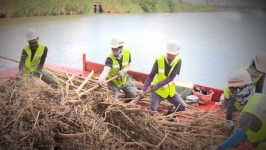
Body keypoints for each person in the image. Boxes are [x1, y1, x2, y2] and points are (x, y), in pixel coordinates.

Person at [214, 70, 266, 150]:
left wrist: (219, 148)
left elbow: (237, 137)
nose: (231, 93)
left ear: (239, 90)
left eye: (231, 90)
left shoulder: (247, 113)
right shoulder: (260, 96)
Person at [139, 39, 186, 115]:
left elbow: (172, 77)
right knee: (152, 112)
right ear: (167, 52)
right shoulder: (159, 60)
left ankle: (169, 115)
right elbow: (151, 76)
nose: (170, 59)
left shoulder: (178, 61)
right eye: (169, 56)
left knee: (182, 107)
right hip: (157, 91)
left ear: (177, 54)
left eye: (173, 56)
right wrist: (143, 89)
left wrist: (158, 85)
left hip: (169, 90)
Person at [223, 54, 266, 130]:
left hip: (244, 97)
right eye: (259, 72)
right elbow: (231, 97)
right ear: (254, 66)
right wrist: (229, 119)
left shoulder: (261, 72)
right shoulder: (240, 74)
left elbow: (258, 91)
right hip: (229, 99)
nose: (260, 74)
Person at [97, 36, 137, 102]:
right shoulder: (110, 58)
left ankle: (126, 103)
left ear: (121, 48)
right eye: (112, 49)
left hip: (124, 80)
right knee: (112, 102)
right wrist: (100, 79)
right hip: (113, 82)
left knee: (133, 94)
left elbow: (129, 65)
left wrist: (124, 71)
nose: (114, 51)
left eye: (116, 49)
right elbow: (105, 71)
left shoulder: (127, 52)